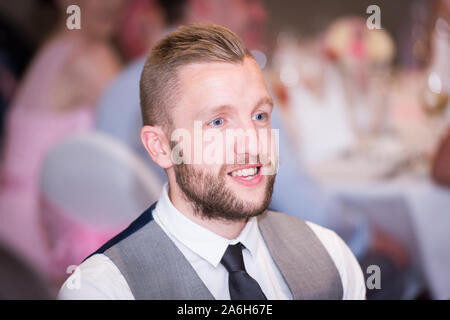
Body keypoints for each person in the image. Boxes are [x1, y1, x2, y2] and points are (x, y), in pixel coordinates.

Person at [59, 25, 365, 300]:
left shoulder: (331, 258)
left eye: (259, 116)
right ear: (161, 146)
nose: (251, 142)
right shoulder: (105, 290)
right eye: (218, 122)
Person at [0, 0, 123, 275]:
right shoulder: (90, 57)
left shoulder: (49, 50)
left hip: (13, 224)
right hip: (42, 233)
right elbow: (142, 138)